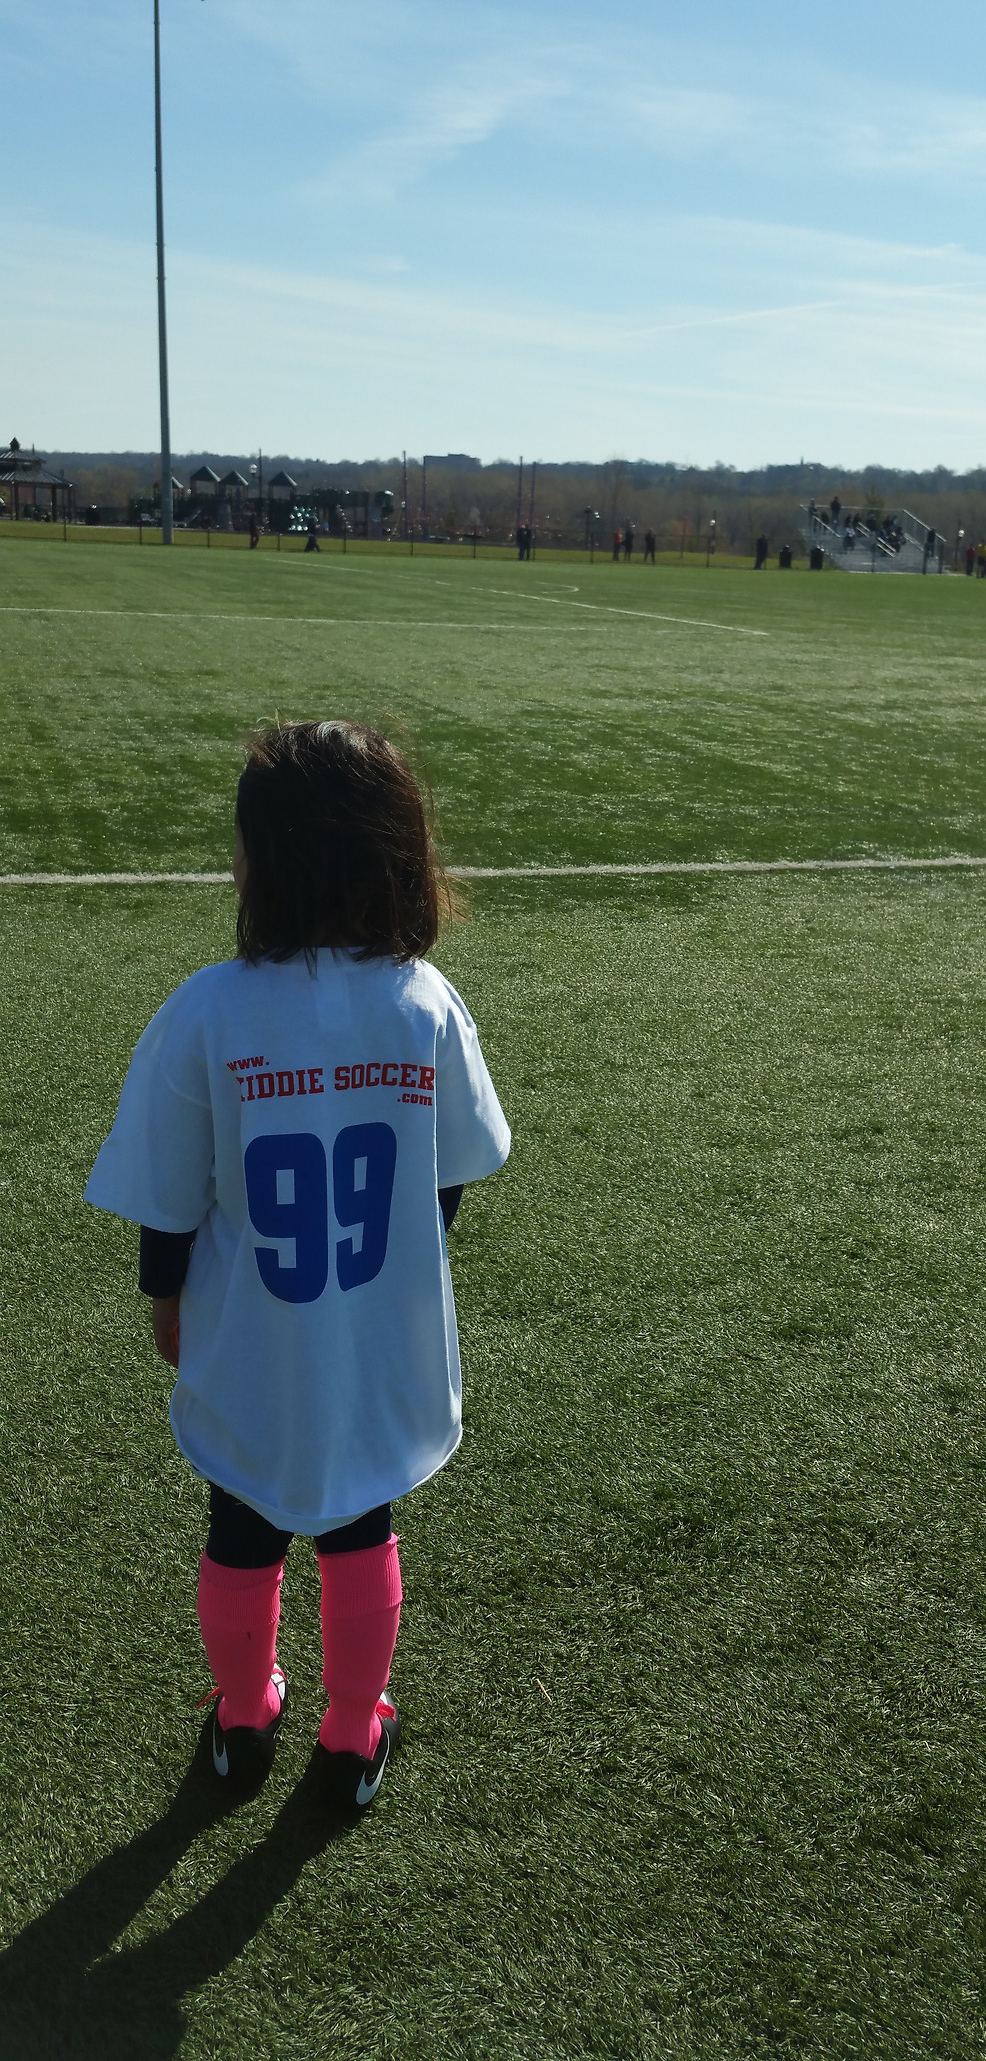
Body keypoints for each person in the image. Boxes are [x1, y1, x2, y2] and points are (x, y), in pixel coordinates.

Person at [84, 722, 510, 1813]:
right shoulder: (422, 1000)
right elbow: (452, 1174)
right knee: (362, 1520)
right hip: (372, 1334)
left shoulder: (209, 1009)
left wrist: (164, 1298)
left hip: (252, 1335)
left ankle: (242, 1716)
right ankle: (354, 1727)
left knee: (241, 1522)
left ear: (270, 859)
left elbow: (169, 1196)